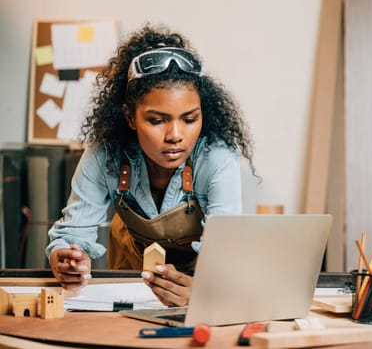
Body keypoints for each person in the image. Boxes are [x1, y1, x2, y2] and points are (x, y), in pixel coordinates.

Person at [46, 24, 256, 307]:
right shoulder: (106, 154)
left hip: (200, 280)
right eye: (157, 120)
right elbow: (72, 234)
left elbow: (227, 250)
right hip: (129, 275)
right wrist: (66, 259)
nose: (175, 135)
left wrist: (206, 293)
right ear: (130, 117)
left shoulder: (217, 157)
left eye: (190, 119)